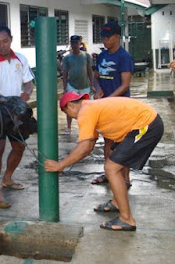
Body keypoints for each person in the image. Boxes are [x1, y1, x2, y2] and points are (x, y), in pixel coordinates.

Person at [45, 91, 163, 231]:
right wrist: (65, 163)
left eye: (67, 113)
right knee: (114, 158)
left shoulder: (85, 112)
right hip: (141, 124)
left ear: (70, 106)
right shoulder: (90, 108)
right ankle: (117, 203)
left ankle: (127, 219)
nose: (71, 118)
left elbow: (83, 148)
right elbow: (89, 146)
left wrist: (60, 165)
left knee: (111, 168)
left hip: (146, 124)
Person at [0, 26, 34, 209]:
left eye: (5, 41)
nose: (1, 45)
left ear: (11, 39)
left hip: (16, 111)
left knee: (19, 146)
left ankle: (7, 178)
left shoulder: (21, 59)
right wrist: (2, 100)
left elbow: (28, 83)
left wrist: (25, 95)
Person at [91, 21, 134, 186]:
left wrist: (109, 99)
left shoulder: (124, 57)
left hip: (121, 107)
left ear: (117, 37)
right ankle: (109, 173)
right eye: (103, 36)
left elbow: (125, 85)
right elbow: (96, 77)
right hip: (105, 108)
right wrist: (98, 89)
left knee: (122, 143)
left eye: (108, 36)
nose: (105, 39)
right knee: (108, 141)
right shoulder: (102, 56)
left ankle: (125, 178)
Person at [62, 35, 94, 135]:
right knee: (69, 106)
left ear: (80, 43)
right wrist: (64, 89)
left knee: (87, 107)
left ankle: (87, 126)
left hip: (85, 86)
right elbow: (65, 73)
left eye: (76, 43)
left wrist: (92, 85)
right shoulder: (67, 58)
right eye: (73, 43)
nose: (75, 45)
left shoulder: (86, 56)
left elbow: (89, 70)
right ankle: (69, 127)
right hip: (72, 86)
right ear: (71, 44)